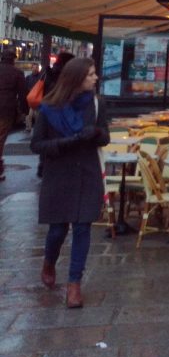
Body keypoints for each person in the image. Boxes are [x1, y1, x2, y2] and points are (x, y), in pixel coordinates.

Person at [30, 57, 110, 309]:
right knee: (58, 230)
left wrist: (96, 133)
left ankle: (74, 284)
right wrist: (64, 143)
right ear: (76, 79)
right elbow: (37, 144)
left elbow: (105, 136)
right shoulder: (50, 107)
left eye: (95, 74)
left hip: (87, 172)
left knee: (83, 227)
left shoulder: (96, 104)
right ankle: (49, 261)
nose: (95, 78)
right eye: (90, 75)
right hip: (60, 175)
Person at [0, 50, 28, 181]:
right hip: (6, 110)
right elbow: (23, 94)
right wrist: (25, 111)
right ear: (13, 60)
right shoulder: (17, 73)